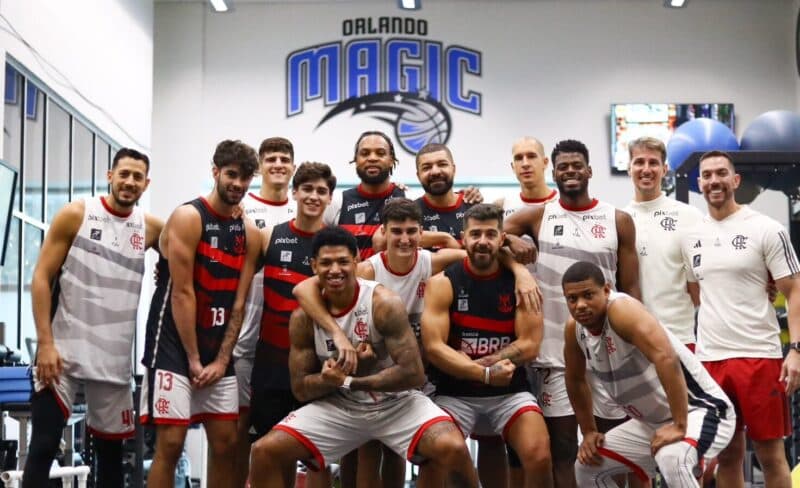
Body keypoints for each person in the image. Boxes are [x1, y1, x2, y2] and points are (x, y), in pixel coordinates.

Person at [294, 198, 539, 487]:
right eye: (396, 231)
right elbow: (304, 288)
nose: (404, 239)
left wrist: (520, 270)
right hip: (375, 368)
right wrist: (337, 334)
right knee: (367, 449)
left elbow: (482, 251)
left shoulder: (433, 262)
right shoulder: (368, 270)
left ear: (421, 233)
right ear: (383, 232)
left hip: (417, 371)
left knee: (404, 452)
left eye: (411, 231)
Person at [249, 226, 480, 488]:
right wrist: (329, 380)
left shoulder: (383, 302)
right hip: (341, 406)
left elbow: (414, 374)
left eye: (342, 261)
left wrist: (348, 380)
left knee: (454, 448)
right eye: (325, 263)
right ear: (313, 266)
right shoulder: (303, 318)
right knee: (264, 451)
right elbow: (301, 389)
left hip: (395, 403)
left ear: (356, 260)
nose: (334, 270)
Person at [504, 139, 639, 487]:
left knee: (614, 447)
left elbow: (631, 290)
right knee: (562, 447)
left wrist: (634, 346)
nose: (570, 171)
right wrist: (512, 246)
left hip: (609, 352)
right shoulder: (539, 216)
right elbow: (487, 236)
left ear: (589, 171)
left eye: (577, 165)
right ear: (555, 172)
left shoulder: (618, 219)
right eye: (563, 166)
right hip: (556, 353)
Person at [25, 148, 162, 488]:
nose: (129, 182)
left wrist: (167, 268)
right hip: (62, 353)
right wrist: (45, 344)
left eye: (137, 177)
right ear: (110, 176)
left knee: (111, 460)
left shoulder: (151, 228)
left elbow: (187, 253)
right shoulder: (77, 213)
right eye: (124, 174)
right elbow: (40, 278)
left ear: (146, 184)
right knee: (43, 446)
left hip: (113, 362)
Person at [140, 140, 262, 488]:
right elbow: (182, 292)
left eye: (245, 177)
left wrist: (222, 360)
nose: (237, 183)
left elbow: (239, 303)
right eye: (231, 174)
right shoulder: (188, 217)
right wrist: (193, 359)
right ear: (215, 172)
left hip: (217, 345)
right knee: (171, 444)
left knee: (226, 443)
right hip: (172, 344)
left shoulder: (249, 232)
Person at [681, 150, 800, 488]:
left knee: (770, 454)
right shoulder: (690, 237)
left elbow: (794, 291)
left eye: (721, 173)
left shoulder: (766, 229)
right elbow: (697, 293)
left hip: (759, 356)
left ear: (735, 180)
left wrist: (796, 350)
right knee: (727, 454)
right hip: (711, 361)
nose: (714, 181)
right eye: (707, 175)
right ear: (699, 183)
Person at [561, 261, 735, 487]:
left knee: (672, 458)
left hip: (701, 410)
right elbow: (575, 380)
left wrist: (679, 425)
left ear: (606, 290)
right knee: (587, 465)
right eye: (572, 299)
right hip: (652, 423)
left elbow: (666, 358)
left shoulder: (621, 311)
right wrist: (588, 432)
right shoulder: (574, 330)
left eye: (588, 295)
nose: (580, 305)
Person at [422, 203, 553, 488]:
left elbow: (530, 345)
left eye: (491, 234)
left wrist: (482, 366)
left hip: (509, 391)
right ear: (463, 238)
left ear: (502, 239)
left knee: (540, 455)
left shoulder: (523, 284)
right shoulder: (443, 283)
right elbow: (434, 348)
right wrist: (482, 373)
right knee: (433, 457)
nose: (482, 241)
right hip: (454, 392)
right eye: (476, 234)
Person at [249, 162, 336, 487]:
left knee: (317, 458)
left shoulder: (335, 244)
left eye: (321, 191)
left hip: (317, 365)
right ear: (295, 192)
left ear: (330, 198)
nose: (314, 196)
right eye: (307, 189)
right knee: (273, 452)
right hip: (271, 364)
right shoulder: (269, 236)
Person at [232, 136, 297, 486]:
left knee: (283, 431)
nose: (278, 164)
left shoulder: (303, 209)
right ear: (259, 166)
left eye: (284, 159)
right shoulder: (241, 206)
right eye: (271, 158)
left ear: (293, 167)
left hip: (283, 341)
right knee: (238, 430)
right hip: (242, 337)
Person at [622, 136, 703, 349]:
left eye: (653, 163)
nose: (646, 169)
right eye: (639, 162)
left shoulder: (690, 216)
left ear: (665, 169)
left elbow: (711, 273)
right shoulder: (618, 220)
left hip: (681, 338)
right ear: (629, 168)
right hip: (634, 340)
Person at [500, 136, 559, 218]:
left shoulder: (563, 203)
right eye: (518, 158)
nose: (525, 164)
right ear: (513, 167)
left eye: (531, 156)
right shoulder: (502, 207)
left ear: (545, 162)